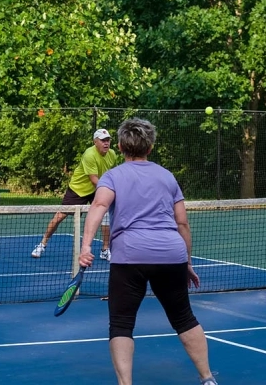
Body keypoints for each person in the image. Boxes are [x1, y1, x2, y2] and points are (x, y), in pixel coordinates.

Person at [79, 118, 217, 385]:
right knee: (184, 318)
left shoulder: (113, 176)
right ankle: (208, 378)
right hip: (170, 254)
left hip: (129, 256)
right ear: (150, 148)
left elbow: (98, 206)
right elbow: (182, 223)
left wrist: (86, 246)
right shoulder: (167, 176)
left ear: (120, 147)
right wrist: (186, 262)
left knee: (121, 324)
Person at [31, 129, 117, 260]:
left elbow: (111, 174)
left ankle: (105, 249)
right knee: (60, 216)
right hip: (79, 189)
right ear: (95, 142)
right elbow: (93, 179)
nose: (106, 143)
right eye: (103, 140)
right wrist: (109, 190)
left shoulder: (112, 155)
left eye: (108, 140)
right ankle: (42, 244)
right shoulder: (90, 154)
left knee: (105, 216)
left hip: (97, 189)